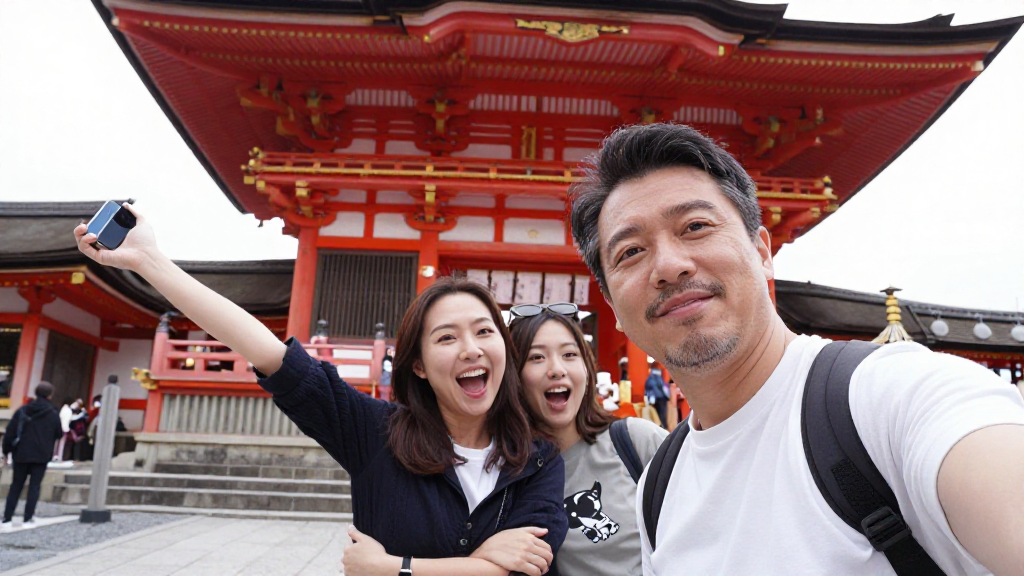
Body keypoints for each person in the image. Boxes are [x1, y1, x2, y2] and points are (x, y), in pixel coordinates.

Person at [568, 122, 1024, 575]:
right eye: (630, 252)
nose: (668, 266)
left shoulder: (890, 399)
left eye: (695, 226)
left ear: (762, 251)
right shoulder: (658, 491)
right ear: (612, 306)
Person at [74, 212, 567, 576]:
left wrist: (393, 568)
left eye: (484, 332)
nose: (470, 349)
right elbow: (270, 353)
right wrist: (151, 262)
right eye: (446, 338)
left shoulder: (538, 458)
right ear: (416, 364)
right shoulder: (375, 433)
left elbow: (523, 569)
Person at [509, 303, 667, 576]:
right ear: (515, 378)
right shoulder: (508, 474)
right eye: (536, 358)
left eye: (569, 354)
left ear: (587, 370)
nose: (557, 369)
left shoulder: (636, 441)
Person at [1, 381, 63, 531]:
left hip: (21, 453)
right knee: (34, 486)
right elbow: (59, 433)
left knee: (16, 485)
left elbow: (10, 432)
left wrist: (6, 451)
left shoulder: (23, 410)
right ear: (50, 395)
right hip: (41, 454)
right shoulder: (53, 413)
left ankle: (7, 517)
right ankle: (28, 517)